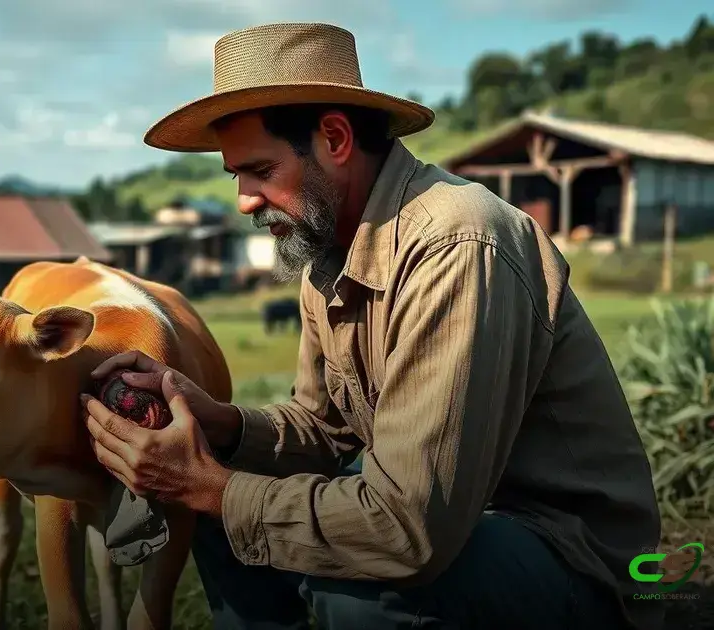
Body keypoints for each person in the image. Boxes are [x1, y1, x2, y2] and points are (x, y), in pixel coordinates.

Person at [80, 22, 663, 630]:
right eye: (237, 177)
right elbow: (327, 430)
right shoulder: (326, 251)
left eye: (260, 170)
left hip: (570, 557)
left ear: (334, 138)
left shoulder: (456, 246)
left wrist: (210, 486)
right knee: (220, 514)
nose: (245, 201)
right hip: (467, 522)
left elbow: (406, 530)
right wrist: (216, 423)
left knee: (358, 587)